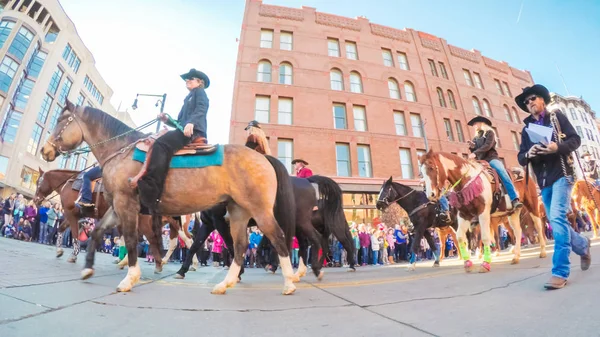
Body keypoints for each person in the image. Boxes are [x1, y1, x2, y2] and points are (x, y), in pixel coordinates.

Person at [516, 84, 591, 290]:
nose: (529, 102)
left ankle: (560, 271)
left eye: (532, 98)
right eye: (526, 101)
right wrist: (528, 154)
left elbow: (575, 140)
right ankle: (583, 246)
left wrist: (557, 147)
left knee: (557, 217)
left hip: (563, 174)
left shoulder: (557, 118)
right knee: (557, 222)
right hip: (543, 181)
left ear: (542, 99)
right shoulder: (526, 129)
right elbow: (521, 156)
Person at [135, 68, 210, 211]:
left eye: (191, 78)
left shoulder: (199, 92)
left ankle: (151, 191)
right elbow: (180, 121)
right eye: (187, 79)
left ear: (200, 82)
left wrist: (191, 122)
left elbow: (202, 108)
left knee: (160, 144)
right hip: (184, 128)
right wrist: (167, 120)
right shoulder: (189, 97)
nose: (187, 80)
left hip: (191, 131)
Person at [467, 115, 523, 210]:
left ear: (482, 123)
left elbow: (487, 146)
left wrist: (475, 153)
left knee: (501, 172)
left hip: (491, 159)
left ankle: (514, 198)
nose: (474, 125)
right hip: (480, 162)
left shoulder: (490, 133)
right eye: (473, 124)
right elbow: (475, 151)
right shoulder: (476, 138)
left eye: (475, 123)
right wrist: (472, 147)